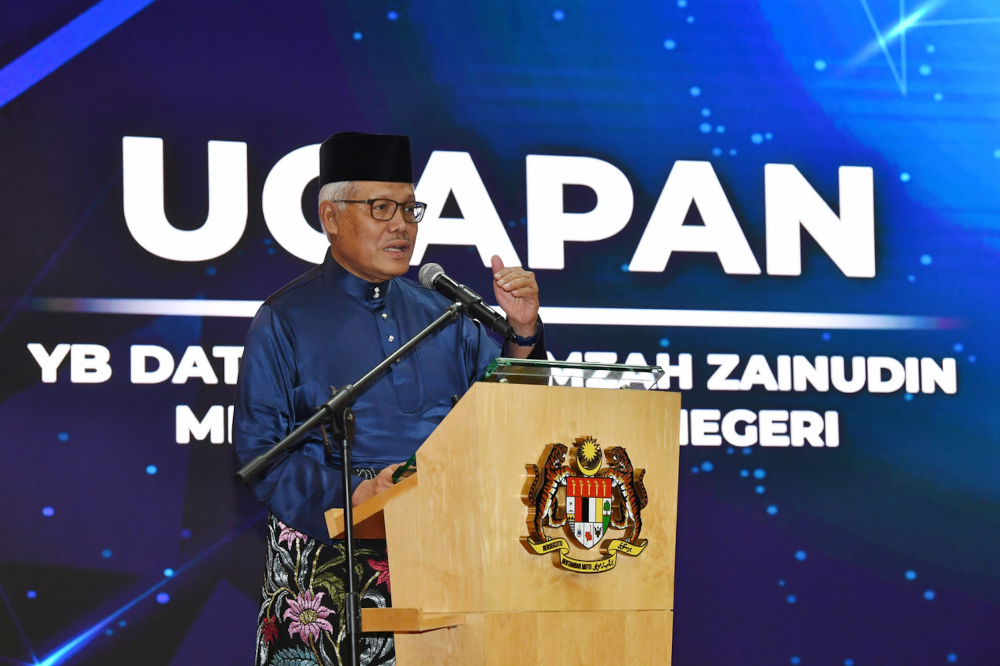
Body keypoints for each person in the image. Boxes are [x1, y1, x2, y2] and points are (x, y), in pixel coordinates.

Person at [234, 132, 544, 666]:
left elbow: (509, 419)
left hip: (443, 558)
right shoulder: (284, 319)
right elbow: (262, 455)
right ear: (331, 217)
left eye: (409, 209)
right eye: (381, 208)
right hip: (332, 569)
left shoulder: (447, 313)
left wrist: (522, 333)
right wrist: (356, 495)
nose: (402, 225)